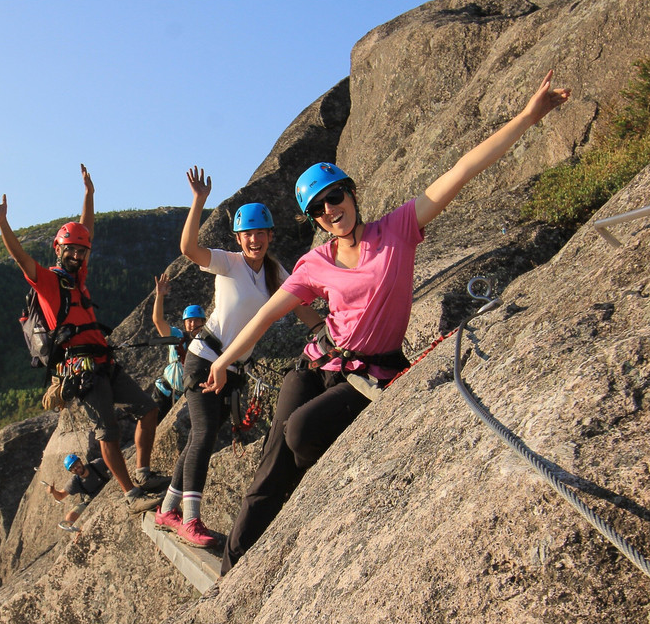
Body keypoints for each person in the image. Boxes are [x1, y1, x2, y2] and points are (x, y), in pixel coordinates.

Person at [205, 71, 571, 574]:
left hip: (372, 371)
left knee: (299, 433)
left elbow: (462, 170)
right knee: (270, 466)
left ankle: (301, 505)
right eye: (319, 208)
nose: (331, 209)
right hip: (319, 362)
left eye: (336, 196)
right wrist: (223, 360)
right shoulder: (315, 263)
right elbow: (268, 314)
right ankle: (232, 568)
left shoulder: (398, 229)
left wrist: (528, 117)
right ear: (314, 219)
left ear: (352, 193)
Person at [0, 165, 166, 514]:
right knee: (107, 432)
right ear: (58, 249)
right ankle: (131, 495)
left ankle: (142, 472)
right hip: (81, 370)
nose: (77, 255)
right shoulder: (48, 282)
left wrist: (89, 194)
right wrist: (3, 222)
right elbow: (20, 257)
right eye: (71, 250)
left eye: (82, 252)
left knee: (149, 408)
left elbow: (85, 231)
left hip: (103, 362)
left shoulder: (78, 279)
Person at [154, 166, 322, 548]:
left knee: (200, 436)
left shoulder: (275, 272)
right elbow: (188, 249)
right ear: (239, 238)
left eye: (261, 233)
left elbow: (298, 304)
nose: (254, 240)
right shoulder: (228, 262)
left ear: (270, 236)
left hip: (232, 369)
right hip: (204, 358)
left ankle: (167, 509)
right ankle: (190, 520)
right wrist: (198, 201)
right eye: (248, 234)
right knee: (203, 434)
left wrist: (322, 331)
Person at [149, 271, 206, 419]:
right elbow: (158, 320)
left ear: (203, 322)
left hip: (183, 397)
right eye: (189, 321)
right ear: (185, 323)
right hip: (164, 391)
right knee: (152, 424)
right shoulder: (177, 336)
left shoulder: (206, 343)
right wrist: (159, 296)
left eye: (196, 320)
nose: (192, 324)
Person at [46, 453, 110, 530]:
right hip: (91, 500)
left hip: (109, 488)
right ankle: (81, 532)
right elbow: (60, 496)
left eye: (76, 464)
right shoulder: (75, 482)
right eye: (72, 467)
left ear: (80, 461)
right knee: (69, 518)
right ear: (71, 471)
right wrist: (53, 491)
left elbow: (115, 462)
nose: (76, 467)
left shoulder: (97, 464)